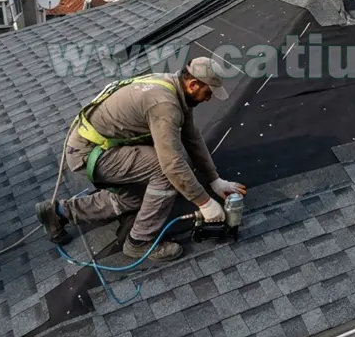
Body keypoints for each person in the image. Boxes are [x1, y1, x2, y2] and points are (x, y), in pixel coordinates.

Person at [35, 57, 246, 261]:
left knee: (140, 197)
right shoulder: (164, 104)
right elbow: (171, 165)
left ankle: (59, 212)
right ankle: (139, 241)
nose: (208, 98)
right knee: (166, 170)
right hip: (90, 153)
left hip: (102, 146)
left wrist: (214, 179)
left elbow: (192, 138)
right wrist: (205, 203)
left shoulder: (175, 88)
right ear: (193, 84)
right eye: (208, 92)